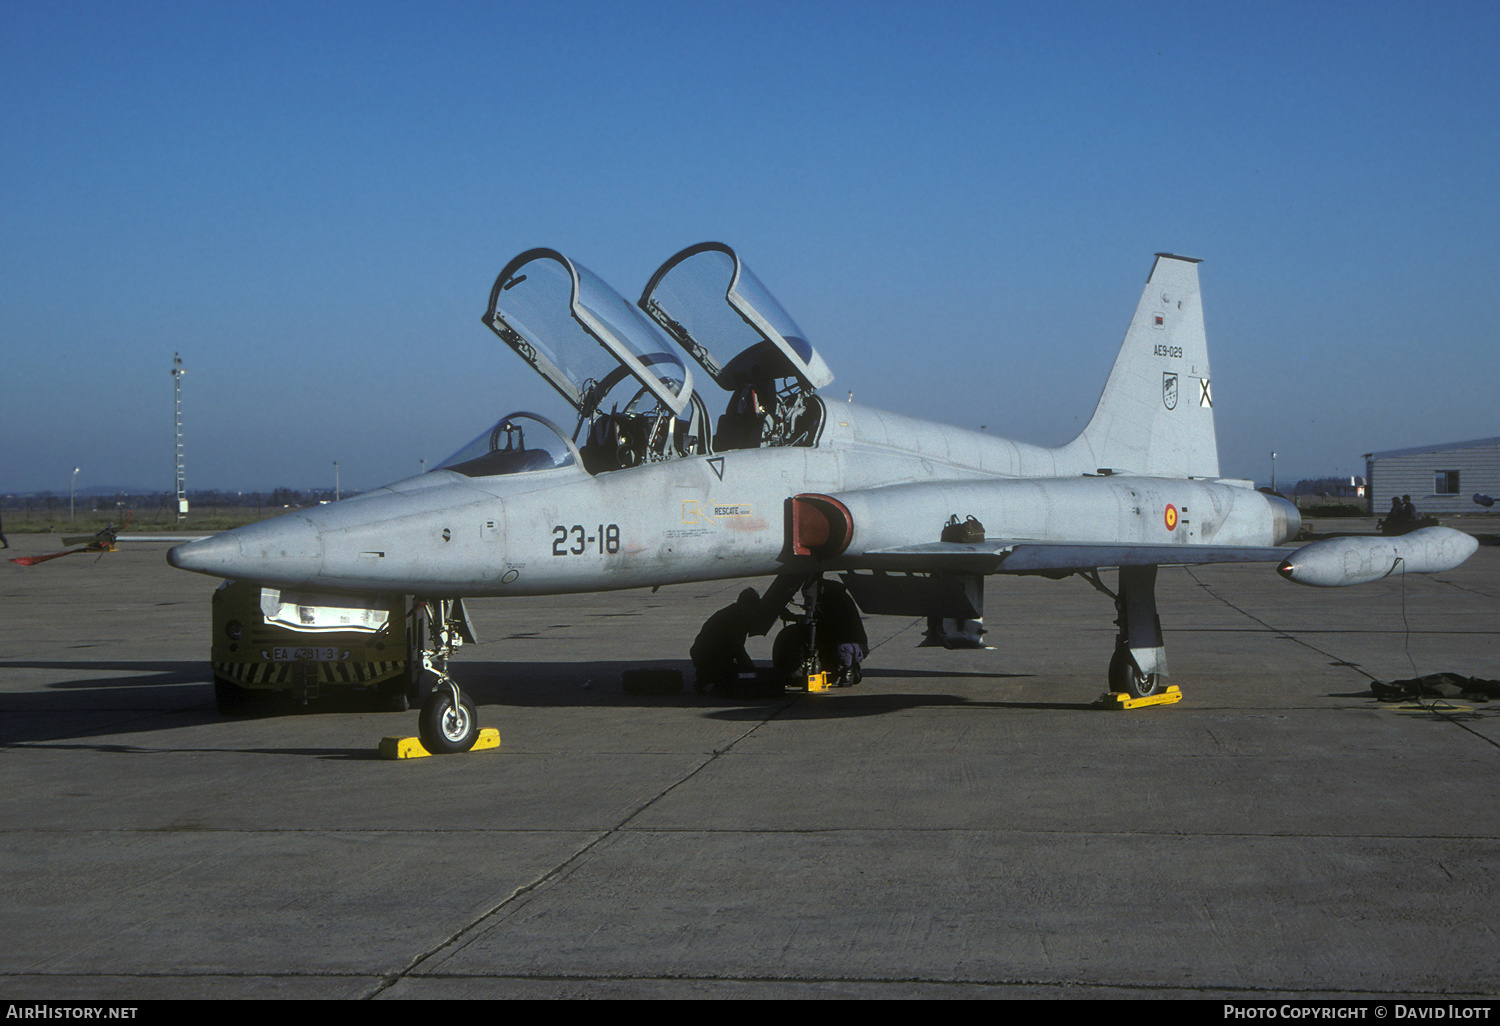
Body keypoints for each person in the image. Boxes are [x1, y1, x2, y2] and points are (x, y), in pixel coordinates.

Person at [690, 588, 760, 692]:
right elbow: (738, 651)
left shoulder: (733, 613)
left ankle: (706, 676)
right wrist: (753, 672)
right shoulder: (733, 620)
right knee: (734, 678)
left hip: (703, 654)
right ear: (744, 606)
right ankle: (711, 677)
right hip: (708, 657)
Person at [816, 579, 868, 687]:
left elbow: (827, 624)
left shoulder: (833, 602)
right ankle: (851, 668)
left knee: (839, 648)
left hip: (847, 646)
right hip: (858, 645)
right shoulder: (843, 598)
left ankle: (847, 670)